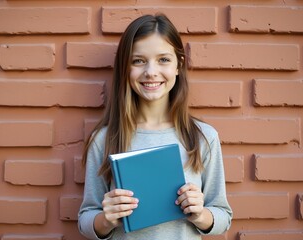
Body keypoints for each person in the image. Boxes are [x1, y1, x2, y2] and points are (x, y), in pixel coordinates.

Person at [78, 13, 232, 240]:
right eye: (138, 60)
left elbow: (223, 216)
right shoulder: (104, 139)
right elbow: (85, 219)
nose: (151, 72)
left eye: (163, 60)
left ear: (179, 65)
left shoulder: (202, 137)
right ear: (125, 68)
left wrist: (200, 215)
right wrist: (106, 219)